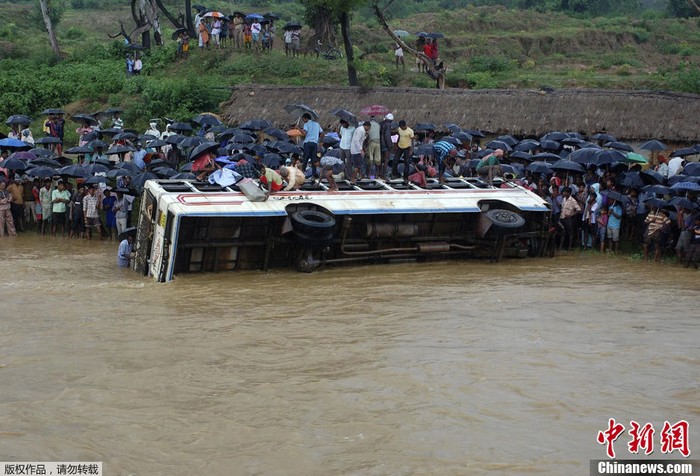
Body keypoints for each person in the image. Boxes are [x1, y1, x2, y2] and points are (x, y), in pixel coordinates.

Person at [559, 186, 581, 251]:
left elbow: (578, 209)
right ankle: (561, 247)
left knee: (570, 233)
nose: (563, 193)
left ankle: (569, 247)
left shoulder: (573, 200)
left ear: (568, 193)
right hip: (562, 218)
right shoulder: (564, 199)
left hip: (568, 219)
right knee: (563, 233)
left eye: (564, 192)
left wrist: (571, 215)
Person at [300, 113, 322, 178]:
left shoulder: (306, 124)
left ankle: (302, 173)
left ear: (306, 118)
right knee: (313, 159)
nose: (303, 121)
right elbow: (322, 133)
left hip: (308, 143)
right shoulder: (317, 124)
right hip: (314, 143)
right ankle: (314, 174)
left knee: (305, 158)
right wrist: (320, 142)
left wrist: (298, 128)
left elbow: (304, 133)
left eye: (303, 119)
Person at [379, 113, 393, 180]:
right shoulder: (388, 125)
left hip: (380, 144)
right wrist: (390, 145)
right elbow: (387, 136)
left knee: (381, 160)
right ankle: (383, 175)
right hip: (386, 145)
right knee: (386, 160)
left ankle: (379, 173)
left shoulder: (381, 123)